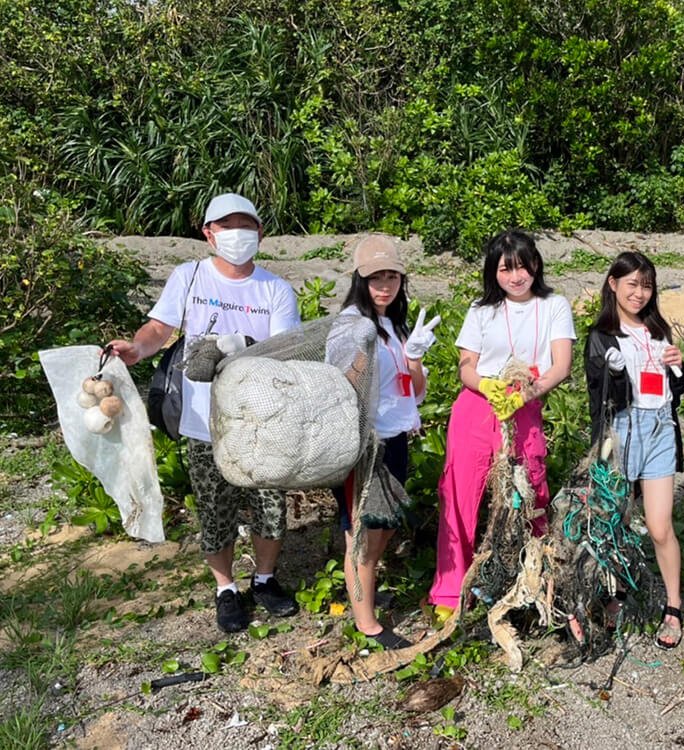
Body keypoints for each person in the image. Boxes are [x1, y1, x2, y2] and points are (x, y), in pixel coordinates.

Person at [108, 192, 302, 633]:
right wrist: (136, 348)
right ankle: (226, 588)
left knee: (271, 506)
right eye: (227, 226)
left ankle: (266, 580)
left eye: (246, 226)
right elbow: (159, 328)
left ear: (260, 233)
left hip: (260, 420)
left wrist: (238, 347)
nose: (238, 235)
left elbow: (282, 349)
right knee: (215, 510)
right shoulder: (189, 277)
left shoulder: (275, 288)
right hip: (204, 420)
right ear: (208, 234)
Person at [427, 229, 575, 621]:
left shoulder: (554, 305)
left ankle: (534, 579)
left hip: (524, 407)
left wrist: (524, 394)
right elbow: (466, 367)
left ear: (536, 265)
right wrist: (489, 386)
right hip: (477, 407)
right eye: (506, 268)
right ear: (493, 271)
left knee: (531, 492)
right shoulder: (481, 310)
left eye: (523, 266)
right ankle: (450, 589)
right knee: (460, 493)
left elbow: (561, 364)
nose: (515, 276)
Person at [331, 234, 439, 650]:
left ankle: (365, 591)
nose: (385, 286)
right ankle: (366, 622)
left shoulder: (395, 325)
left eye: (392, 276)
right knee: (361, 532)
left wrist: (413, 357)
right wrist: (361, 357)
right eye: (376, 277)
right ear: (360, 280)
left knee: (383, 527)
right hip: (365, 445)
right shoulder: (351, 325)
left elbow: (418, 391)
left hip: (395, 437)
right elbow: (342, 389)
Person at [584, 251, 684, 649]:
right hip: (622, 431)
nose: (639, 293)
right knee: (614, 518)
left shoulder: (657, 330)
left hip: (661, 426)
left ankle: (673, 605)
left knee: (660, 526)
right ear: (612, 284)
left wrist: (681, 369)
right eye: (632, 284)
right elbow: (600, 397)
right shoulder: (601, 336)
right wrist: (611, 370)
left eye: (646, 286)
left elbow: (675, 388)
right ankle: (614, 596)